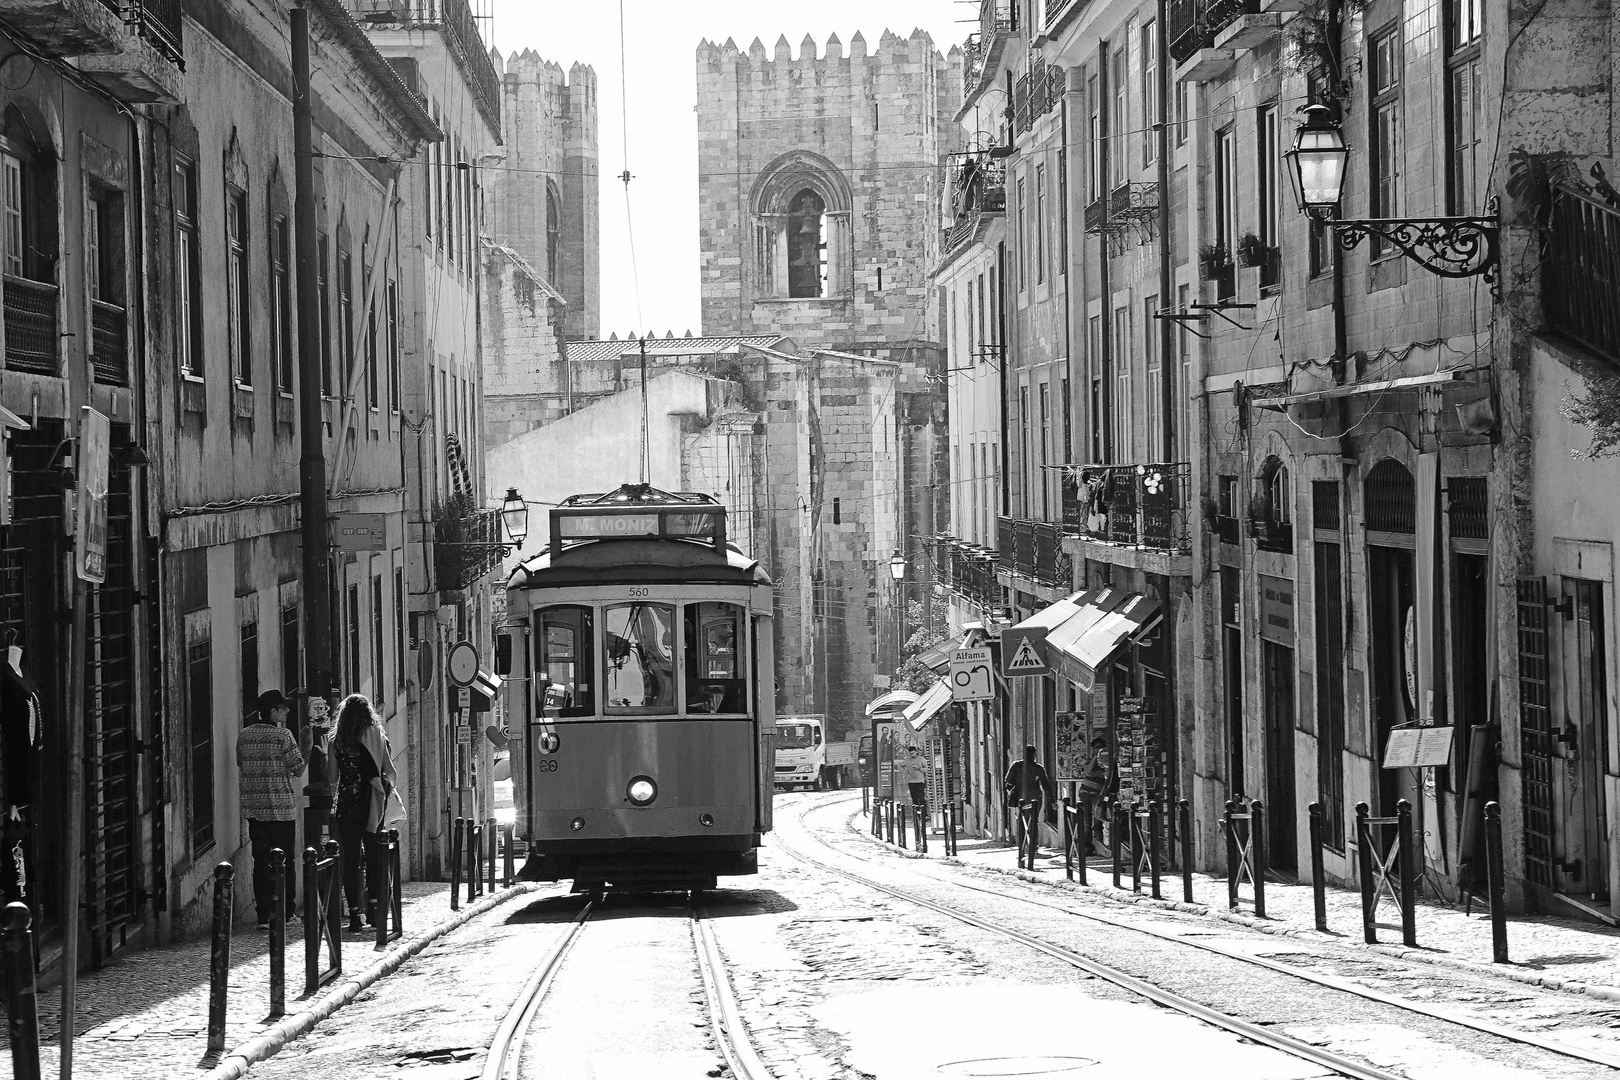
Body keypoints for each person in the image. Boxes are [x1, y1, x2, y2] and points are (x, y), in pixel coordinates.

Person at [235, 689, 311, 928]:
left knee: (260, 862)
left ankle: (263, 915)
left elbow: (241, 763)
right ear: (273, 711)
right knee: (284, 861)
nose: (287, 711)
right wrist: (307, 746)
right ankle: (286, 912)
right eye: (283, 707)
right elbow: (298, 769)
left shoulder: (244, 735)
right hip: (281, 810)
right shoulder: (283, 736)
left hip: (255, 809)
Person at [333, 694, 397, 931]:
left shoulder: (337, 742)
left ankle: (353, 916)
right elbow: (389, 770)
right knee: (373, 856)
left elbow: (331, 777)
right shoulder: (377, 737)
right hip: (370, 804)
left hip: (346, 804)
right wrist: (387, 789)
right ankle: (374, 909)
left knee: (350, 860)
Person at [1003, 744, 1057, 870]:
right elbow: (1046, 785)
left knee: (1023, 820)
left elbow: (1008, 780)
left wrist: (1014, 789)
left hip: (1023, 796)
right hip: (1035, 796)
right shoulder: (1038, 768)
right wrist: (1052, 801)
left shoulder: (1016, 765)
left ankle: (1024, 843)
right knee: (1033, 820)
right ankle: (1032, 844)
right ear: (1034, 755)